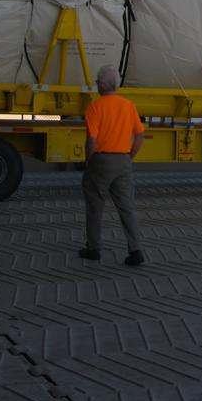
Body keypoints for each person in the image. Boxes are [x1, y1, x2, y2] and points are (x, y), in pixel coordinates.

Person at [79, 65, 147, 266]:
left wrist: (88, 160)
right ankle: (135, 250)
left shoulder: (95, 107)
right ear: (116, 85)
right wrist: (130, 156)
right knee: (126, 207)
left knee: (95, 205)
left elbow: (92, 139)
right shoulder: (128, 105)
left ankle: (94, 249)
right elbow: (140, 135)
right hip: (123, 160)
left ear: (100, 84)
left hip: (101, 160)